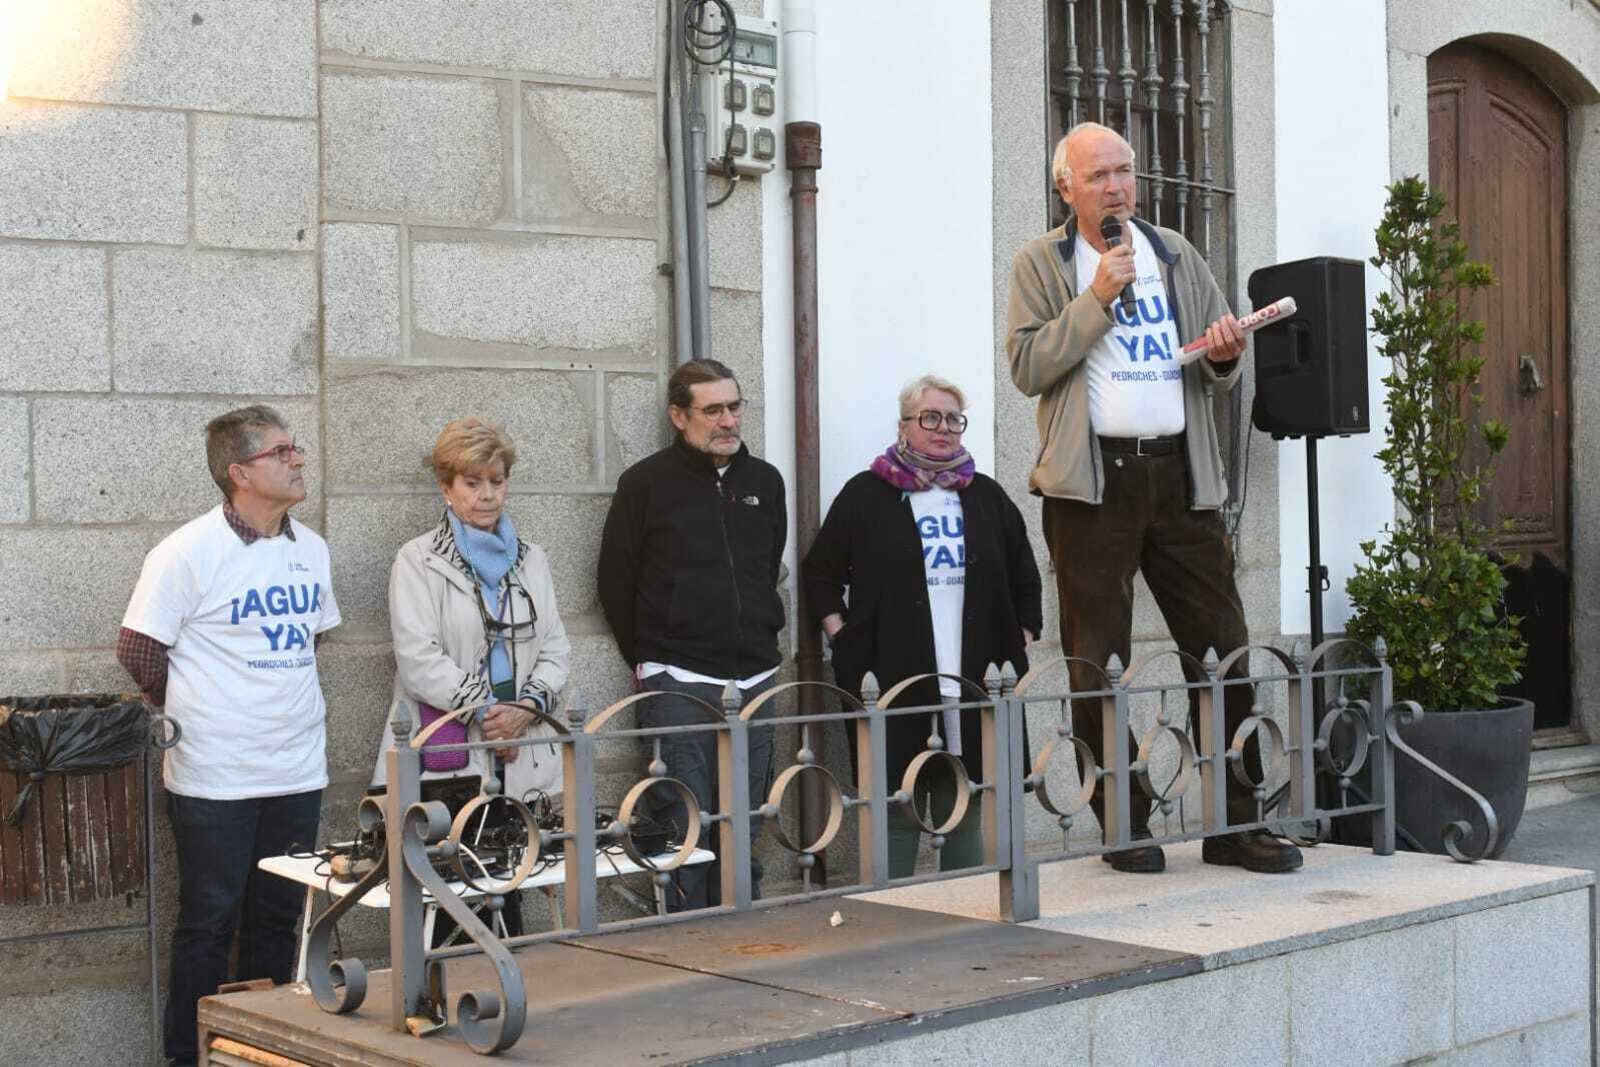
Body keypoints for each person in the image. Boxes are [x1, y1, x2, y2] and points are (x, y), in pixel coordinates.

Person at [1006, 121, 1301, 875]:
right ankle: (1122, 826)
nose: (1116, 186)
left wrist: (1228, 355)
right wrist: (1096, 298)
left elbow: (1208, 363)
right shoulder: (1044, 263)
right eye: (1098, 175)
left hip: (1180, 479)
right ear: (1065, 188)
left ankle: (1237, 822)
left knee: (1223, 647)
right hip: (1091, 486)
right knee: (1095, 661)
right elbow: (1028, 365)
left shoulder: (1173, 252)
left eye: (1125, 171)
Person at [116, 405, 342, 1067]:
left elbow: (313, 637)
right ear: (239, 471)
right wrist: (194, 701)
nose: (298, 459)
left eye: (297, 447)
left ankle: (264, 1051)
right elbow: (138, 648)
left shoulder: (312, 548)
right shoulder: (187, 550)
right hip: (215, 774)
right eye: (282, 451)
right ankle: (190, 1055)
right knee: (209, 922)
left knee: (281, 919)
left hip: (298, 769)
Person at [803, 375, 1042, 878]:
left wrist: (1022, 635)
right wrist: (840, 636)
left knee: (968, 794)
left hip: (975, 669)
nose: (943, 429)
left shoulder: (986, 495)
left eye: (953, 419)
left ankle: (965, 903)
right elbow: (820, 571)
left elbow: (1024, 572)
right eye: (930, 417)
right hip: (892, 669)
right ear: (904, 426)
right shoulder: (867, 494)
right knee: (898, 798)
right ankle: (896, 909)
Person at [371, 417, 571, 942]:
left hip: (521, 748)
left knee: (515, 882)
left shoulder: (532, 559)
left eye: (497, 481)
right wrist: (488, 714)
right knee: (446, 892)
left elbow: (556, 649)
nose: (487, 496)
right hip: (453, 754)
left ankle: (516, 1006)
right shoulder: (417, 560)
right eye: (472, 483)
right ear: (446, 487)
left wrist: (524, 710)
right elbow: (420, 660)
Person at [597, 359, 786, 910]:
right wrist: (653, 657)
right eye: (712, 410)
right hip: (678, 678)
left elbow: (765, 565)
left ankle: (743, 928)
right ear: (679, 416)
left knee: (747, 817)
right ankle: (690, 937)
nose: (728, 420)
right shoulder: (645, 485)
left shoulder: (765, 482)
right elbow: (615, 582)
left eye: (735, 406)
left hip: (755, 675)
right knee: (685, 822)